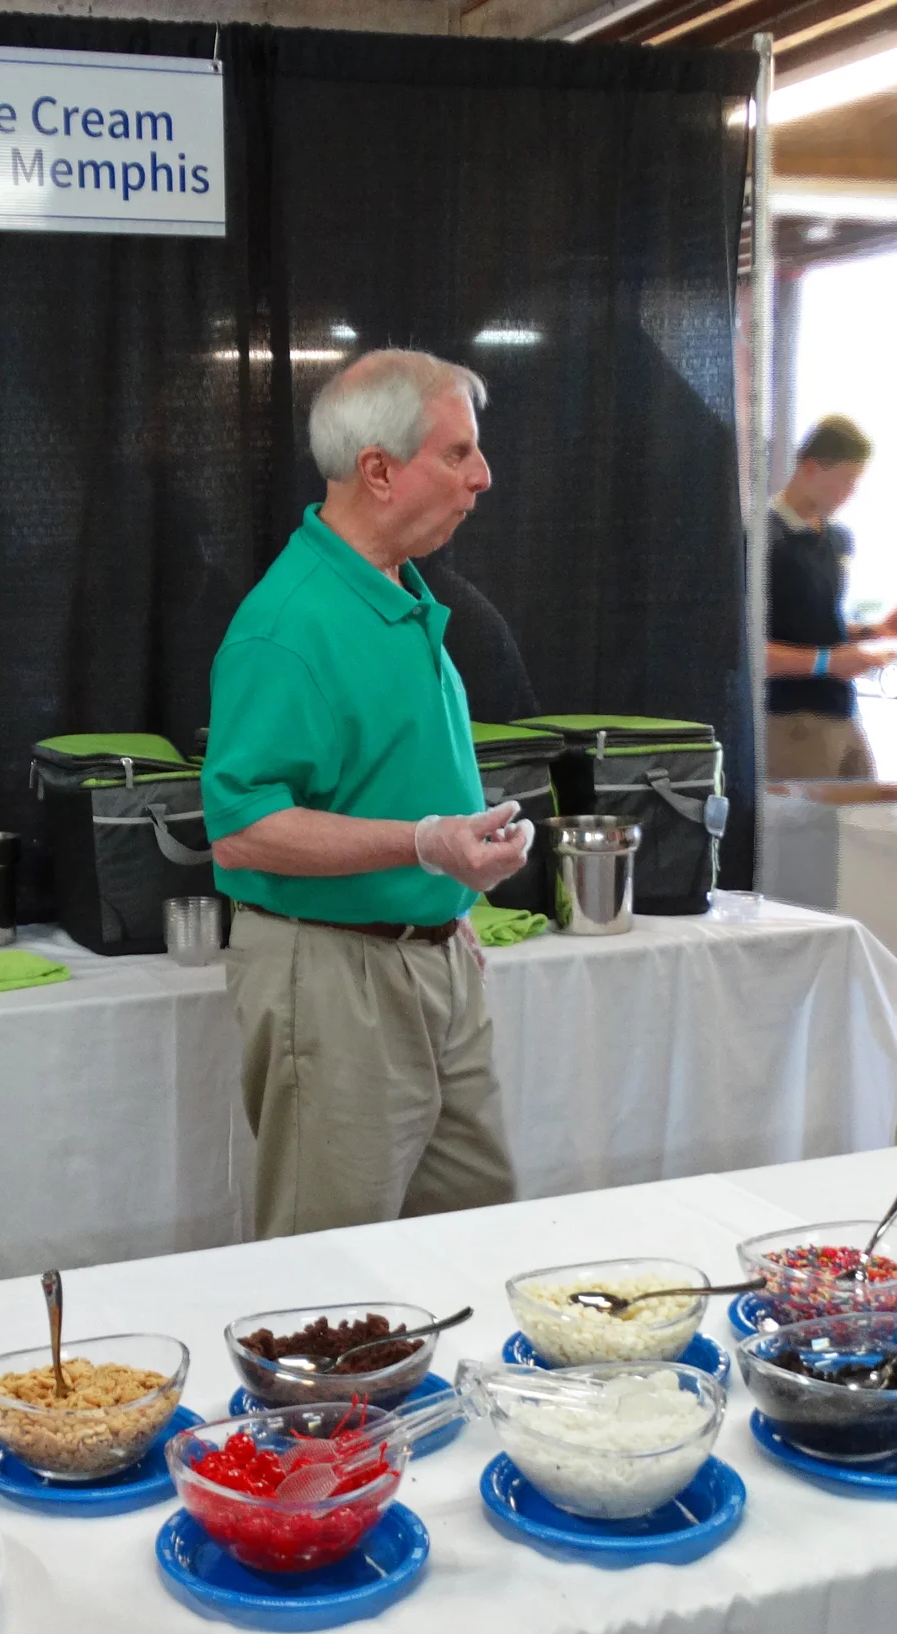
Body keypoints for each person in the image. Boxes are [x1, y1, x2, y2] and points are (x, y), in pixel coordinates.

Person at [201, 349, 532, 1236]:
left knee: (472, 1236)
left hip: (433, 960)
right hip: (334, 976)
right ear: (378, 471)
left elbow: (382, 774)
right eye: (457, 453)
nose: (483, 476)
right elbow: (242, 828)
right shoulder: (288, 625)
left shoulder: (396, 590)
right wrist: (423, 846)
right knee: (331, 1267)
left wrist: (442, 901)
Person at [764, 416, 897, 779]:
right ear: (810, 468)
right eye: (846, 479)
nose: (851, 492)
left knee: (866, 812)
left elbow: (812, 625)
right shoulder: (762, 539)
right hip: (790, 720)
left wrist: (877, 630)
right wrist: (828, 663)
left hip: (844, 711)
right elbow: (748, 652)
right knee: (809, 818)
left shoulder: (837, 539)